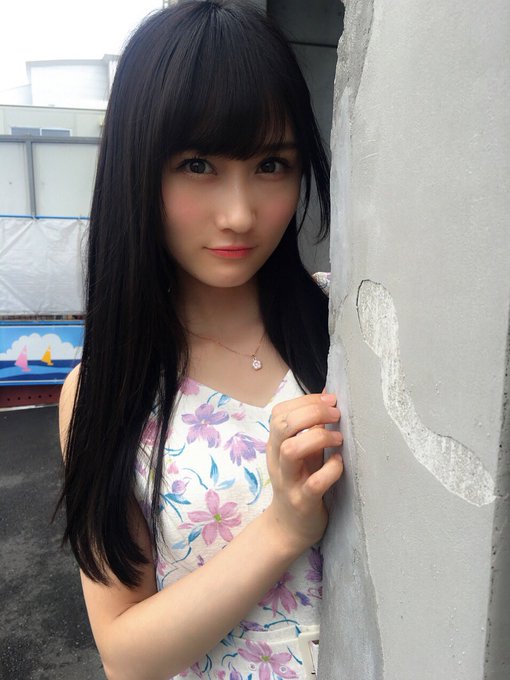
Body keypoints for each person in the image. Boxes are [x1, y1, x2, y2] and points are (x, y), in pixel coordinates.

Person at [57, 1, 343, 678]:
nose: (240, 213)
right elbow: (126, 655)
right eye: (197, 164)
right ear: (137, 169)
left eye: (271, 164)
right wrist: (281, 529)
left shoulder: (348, 327)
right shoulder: (105, 392)